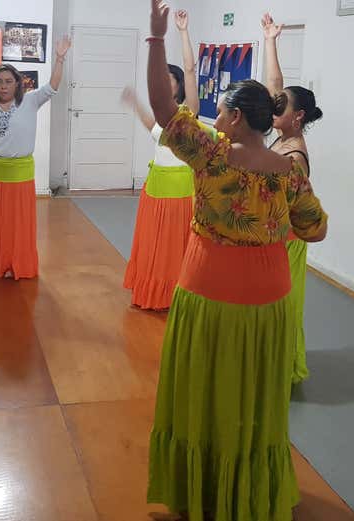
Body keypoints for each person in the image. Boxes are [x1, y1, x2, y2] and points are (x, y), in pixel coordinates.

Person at [144, 2, 328, 520]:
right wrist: (272, 227)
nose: (216, 117)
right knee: (252, 397)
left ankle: (201, 485)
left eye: (222, 111)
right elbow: (315, 228)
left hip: (208, 291)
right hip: (268, 299)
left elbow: (163, 108)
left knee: (206, 390)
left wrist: (157, 40)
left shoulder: (210, 153)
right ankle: (248, 487)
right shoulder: (289, 170)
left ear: (237, 117)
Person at [0, 37, 71, 280]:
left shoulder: (30, 101)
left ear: (17, 84)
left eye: (8, 82)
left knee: (17, 224)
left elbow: (53, 86)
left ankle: (16, 263)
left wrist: (60, 58)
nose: (3, 86)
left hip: (21, 173)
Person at [121, 9, 199, 311]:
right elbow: (150, 126)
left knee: (172, 248)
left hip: (181, 192)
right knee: (154, 245)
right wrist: (136, 103)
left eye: (170, 79)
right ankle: (151, 289)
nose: (164, 84)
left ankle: (173, 293)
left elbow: (191, 69)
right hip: (155, 189)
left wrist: (181, 32)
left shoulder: (187, 113)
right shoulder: (162, 118)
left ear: (179, 84)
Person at [262, 12, 324, 384]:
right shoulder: (282, 139)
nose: (273, 108)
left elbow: (295, 208)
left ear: (297, 116)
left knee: (282, 306)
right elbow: (275, 85)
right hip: (275, 237)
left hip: (287, 240)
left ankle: (281, 366)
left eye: (280, 106)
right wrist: (270, 39)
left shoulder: (294, 155)